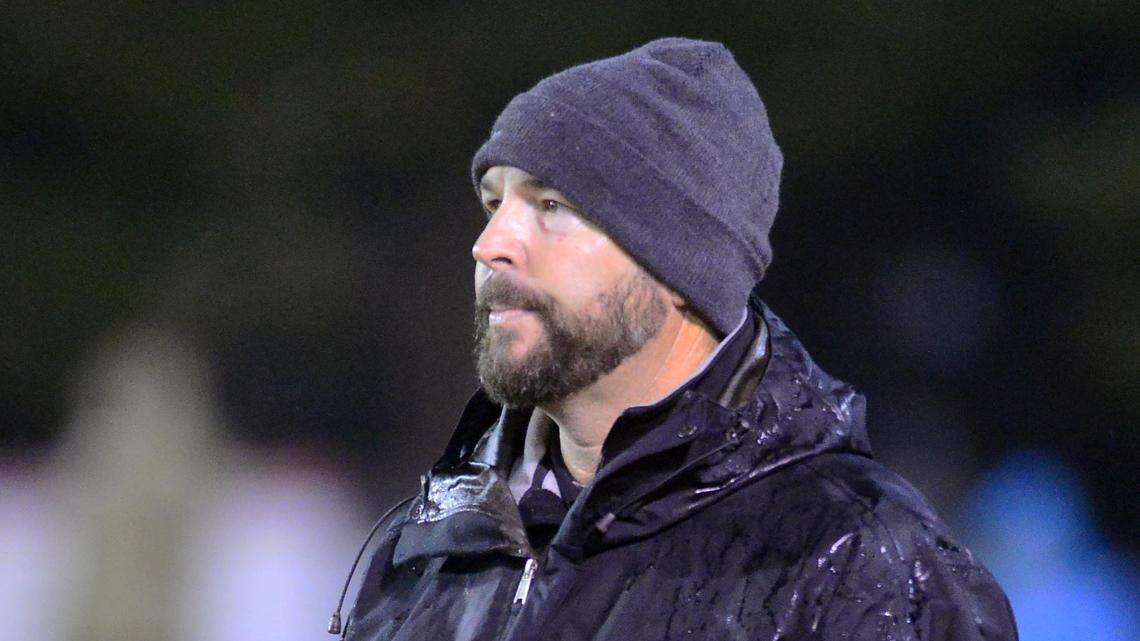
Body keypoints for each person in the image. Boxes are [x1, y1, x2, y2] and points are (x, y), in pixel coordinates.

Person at [330, 37, 1018, 641]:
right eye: (494, 202)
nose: (490, 245)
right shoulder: (431, 548)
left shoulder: (858, 561)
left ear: (680, 265)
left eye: (550, 205)